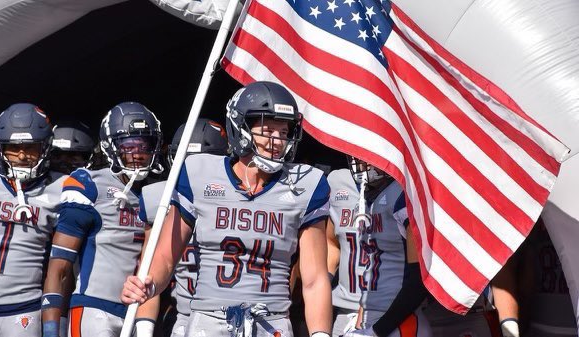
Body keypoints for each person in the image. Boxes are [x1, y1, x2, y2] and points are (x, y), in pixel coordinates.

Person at [121, 81, 333, 337]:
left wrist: (321, 334)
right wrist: (149, 283)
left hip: (271, 323)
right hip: (209, 321)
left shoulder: (306, 184)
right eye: (268, 130)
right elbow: (166, 256)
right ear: (241, 127)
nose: (277, 140)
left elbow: (314, 280)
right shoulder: (199, 173)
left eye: (284, 131)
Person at [41, 102, 164, 337]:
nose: (137, 153)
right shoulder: (90, 185)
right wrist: (51, 328)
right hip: (93, 308)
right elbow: (60, 267)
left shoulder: (160, 194)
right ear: (110, 147)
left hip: (137, 312)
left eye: (144, 145)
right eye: (129, 145)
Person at [134, 118, 229, 337]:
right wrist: (145, 330)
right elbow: (149, 271)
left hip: (226, 317)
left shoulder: (235, 200)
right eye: (184, 161)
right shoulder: (159, 197)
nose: (191, 171)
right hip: (183, 317)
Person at [0, 103, 66, 337]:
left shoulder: (64, 187)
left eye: (31, 147)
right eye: (13, 148)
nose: (21, 155)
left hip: (25, 310)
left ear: (45, 148)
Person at [342, 157, 431, 337]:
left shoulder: (402, 195)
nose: (362, 161)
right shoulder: (370, 197)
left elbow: (419, 280)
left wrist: (377, 331)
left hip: (401, 320)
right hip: (372, 317)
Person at [325, 161, 366, 336]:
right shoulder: (337, 181)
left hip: (387, 309)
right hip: (344, 310)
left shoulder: (401, 185)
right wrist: (321, 285)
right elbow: (331, 243)